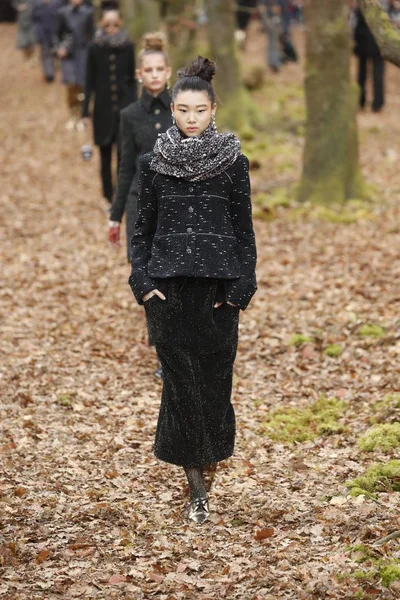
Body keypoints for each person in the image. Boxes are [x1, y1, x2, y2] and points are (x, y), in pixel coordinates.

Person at [127, 57, 257, 524]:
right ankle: (196, 489)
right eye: (182, 110)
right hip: (169, 293)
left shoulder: (233, 164)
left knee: (215, 389)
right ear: (173, 111)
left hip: (220, 294)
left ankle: (209, 464)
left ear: (213, 108)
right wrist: (142, 284)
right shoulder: (154, 164)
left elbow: (245, 231)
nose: (191, 119)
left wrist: (243, 286)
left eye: (199, 110)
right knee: (181, 390)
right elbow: (140, 232)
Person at [108, 32, 172, 256]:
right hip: (139, 204)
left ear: (168, 72)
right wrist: (115, 216)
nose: (154, 75)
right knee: (142, 278)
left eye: (159, 69)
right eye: (148, 70)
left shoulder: (183, 110)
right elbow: (125, 167)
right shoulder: (129, 115)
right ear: (139, 74)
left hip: (176, 204)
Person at [82, 10, 136, 205]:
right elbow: (89, 82)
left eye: (115, 25)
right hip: (102, 110)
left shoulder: (128, 46)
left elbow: (132, 79)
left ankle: (122, 194)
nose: (111, 29)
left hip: (124, 108)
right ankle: (107, 194)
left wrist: (135, 106)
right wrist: (84, 111)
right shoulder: (94, 48)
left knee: (123, 154)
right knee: (105, 156)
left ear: (120, 24)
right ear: (102, 25)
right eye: (107, 25)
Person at [56, 0, 94, 129]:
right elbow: (57, 34)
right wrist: (60, 48)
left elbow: (92, 35)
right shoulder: (63, 13)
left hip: (84, 54)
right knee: (71, 85)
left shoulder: (88, 13)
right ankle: (73, 116)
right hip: (69, 56)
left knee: (83, 85)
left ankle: (83, 116)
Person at [353, 3, 387, 112]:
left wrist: (356, 42)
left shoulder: (362, 7)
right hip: (377, 45)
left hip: (365, 44)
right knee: (377, 74)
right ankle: (377, 103)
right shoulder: (381, 7)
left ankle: (361, 101)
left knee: (363, 74)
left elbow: (356, 27)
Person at [32, 0, 62, 82]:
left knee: (57, 51)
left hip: (56, 32)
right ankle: (49, 74)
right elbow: (33, 18)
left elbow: (62, 16)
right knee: (46, 53)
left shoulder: (58, 3)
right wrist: (36, 32)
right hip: (43, 33)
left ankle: (57, 69)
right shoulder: (36, 3)